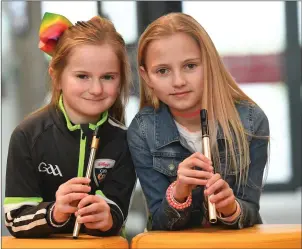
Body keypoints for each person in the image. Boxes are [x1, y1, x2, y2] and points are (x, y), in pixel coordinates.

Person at [127, 13, 269, 231]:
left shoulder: (251, 121)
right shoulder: (142, 130)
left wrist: (231, 208)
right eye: (162, 71)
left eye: (190, 66)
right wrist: (179, 193)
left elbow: (250, 209)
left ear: (209, 64)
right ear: (146, 77)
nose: (179, 81)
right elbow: (159, 221)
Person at [4, 12, 136, 238]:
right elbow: (15, 219)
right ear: (56, 76)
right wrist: (54, 213)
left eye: (108, 77)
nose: (96, 89)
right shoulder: (27, 135)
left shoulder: (125, 141)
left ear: (121, 79)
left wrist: (106, 217)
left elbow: (118, 213)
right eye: (82, 76)